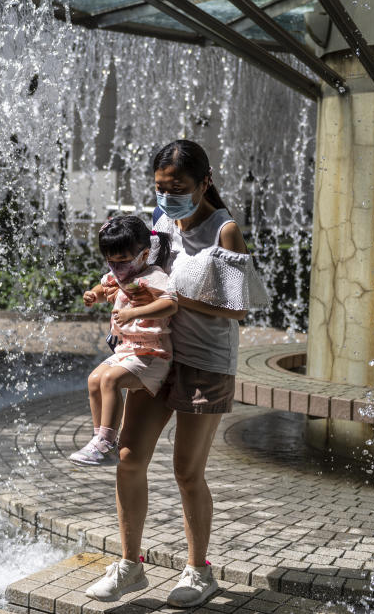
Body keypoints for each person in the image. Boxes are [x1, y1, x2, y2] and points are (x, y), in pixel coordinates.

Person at [84, 140, 267, 606]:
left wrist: (176, 302)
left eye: (179, 187)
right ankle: (130, 565)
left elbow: (237, 308)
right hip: (156, 353)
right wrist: (117, 289)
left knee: (187, 472)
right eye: (161, 188)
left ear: (204, 182)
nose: (168, 197)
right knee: (128, 458)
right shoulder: (160, 223)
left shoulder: (224, 231)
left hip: (205, 362)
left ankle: (198, 570)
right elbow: (141, 271)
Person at [69, 215, 178, 466]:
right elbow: (103, 285)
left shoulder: (152, 276)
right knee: (94, 380)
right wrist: (92, 295)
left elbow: (170, 304)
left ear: (143, 254)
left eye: (123, 261)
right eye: (111, 261)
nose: (117, 268)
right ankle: (100, 440)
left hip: (153, 353)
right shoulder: (118, 274)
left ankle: (107, 442)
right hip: (128, 350)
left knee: (110, 379)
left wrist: (134, 312)